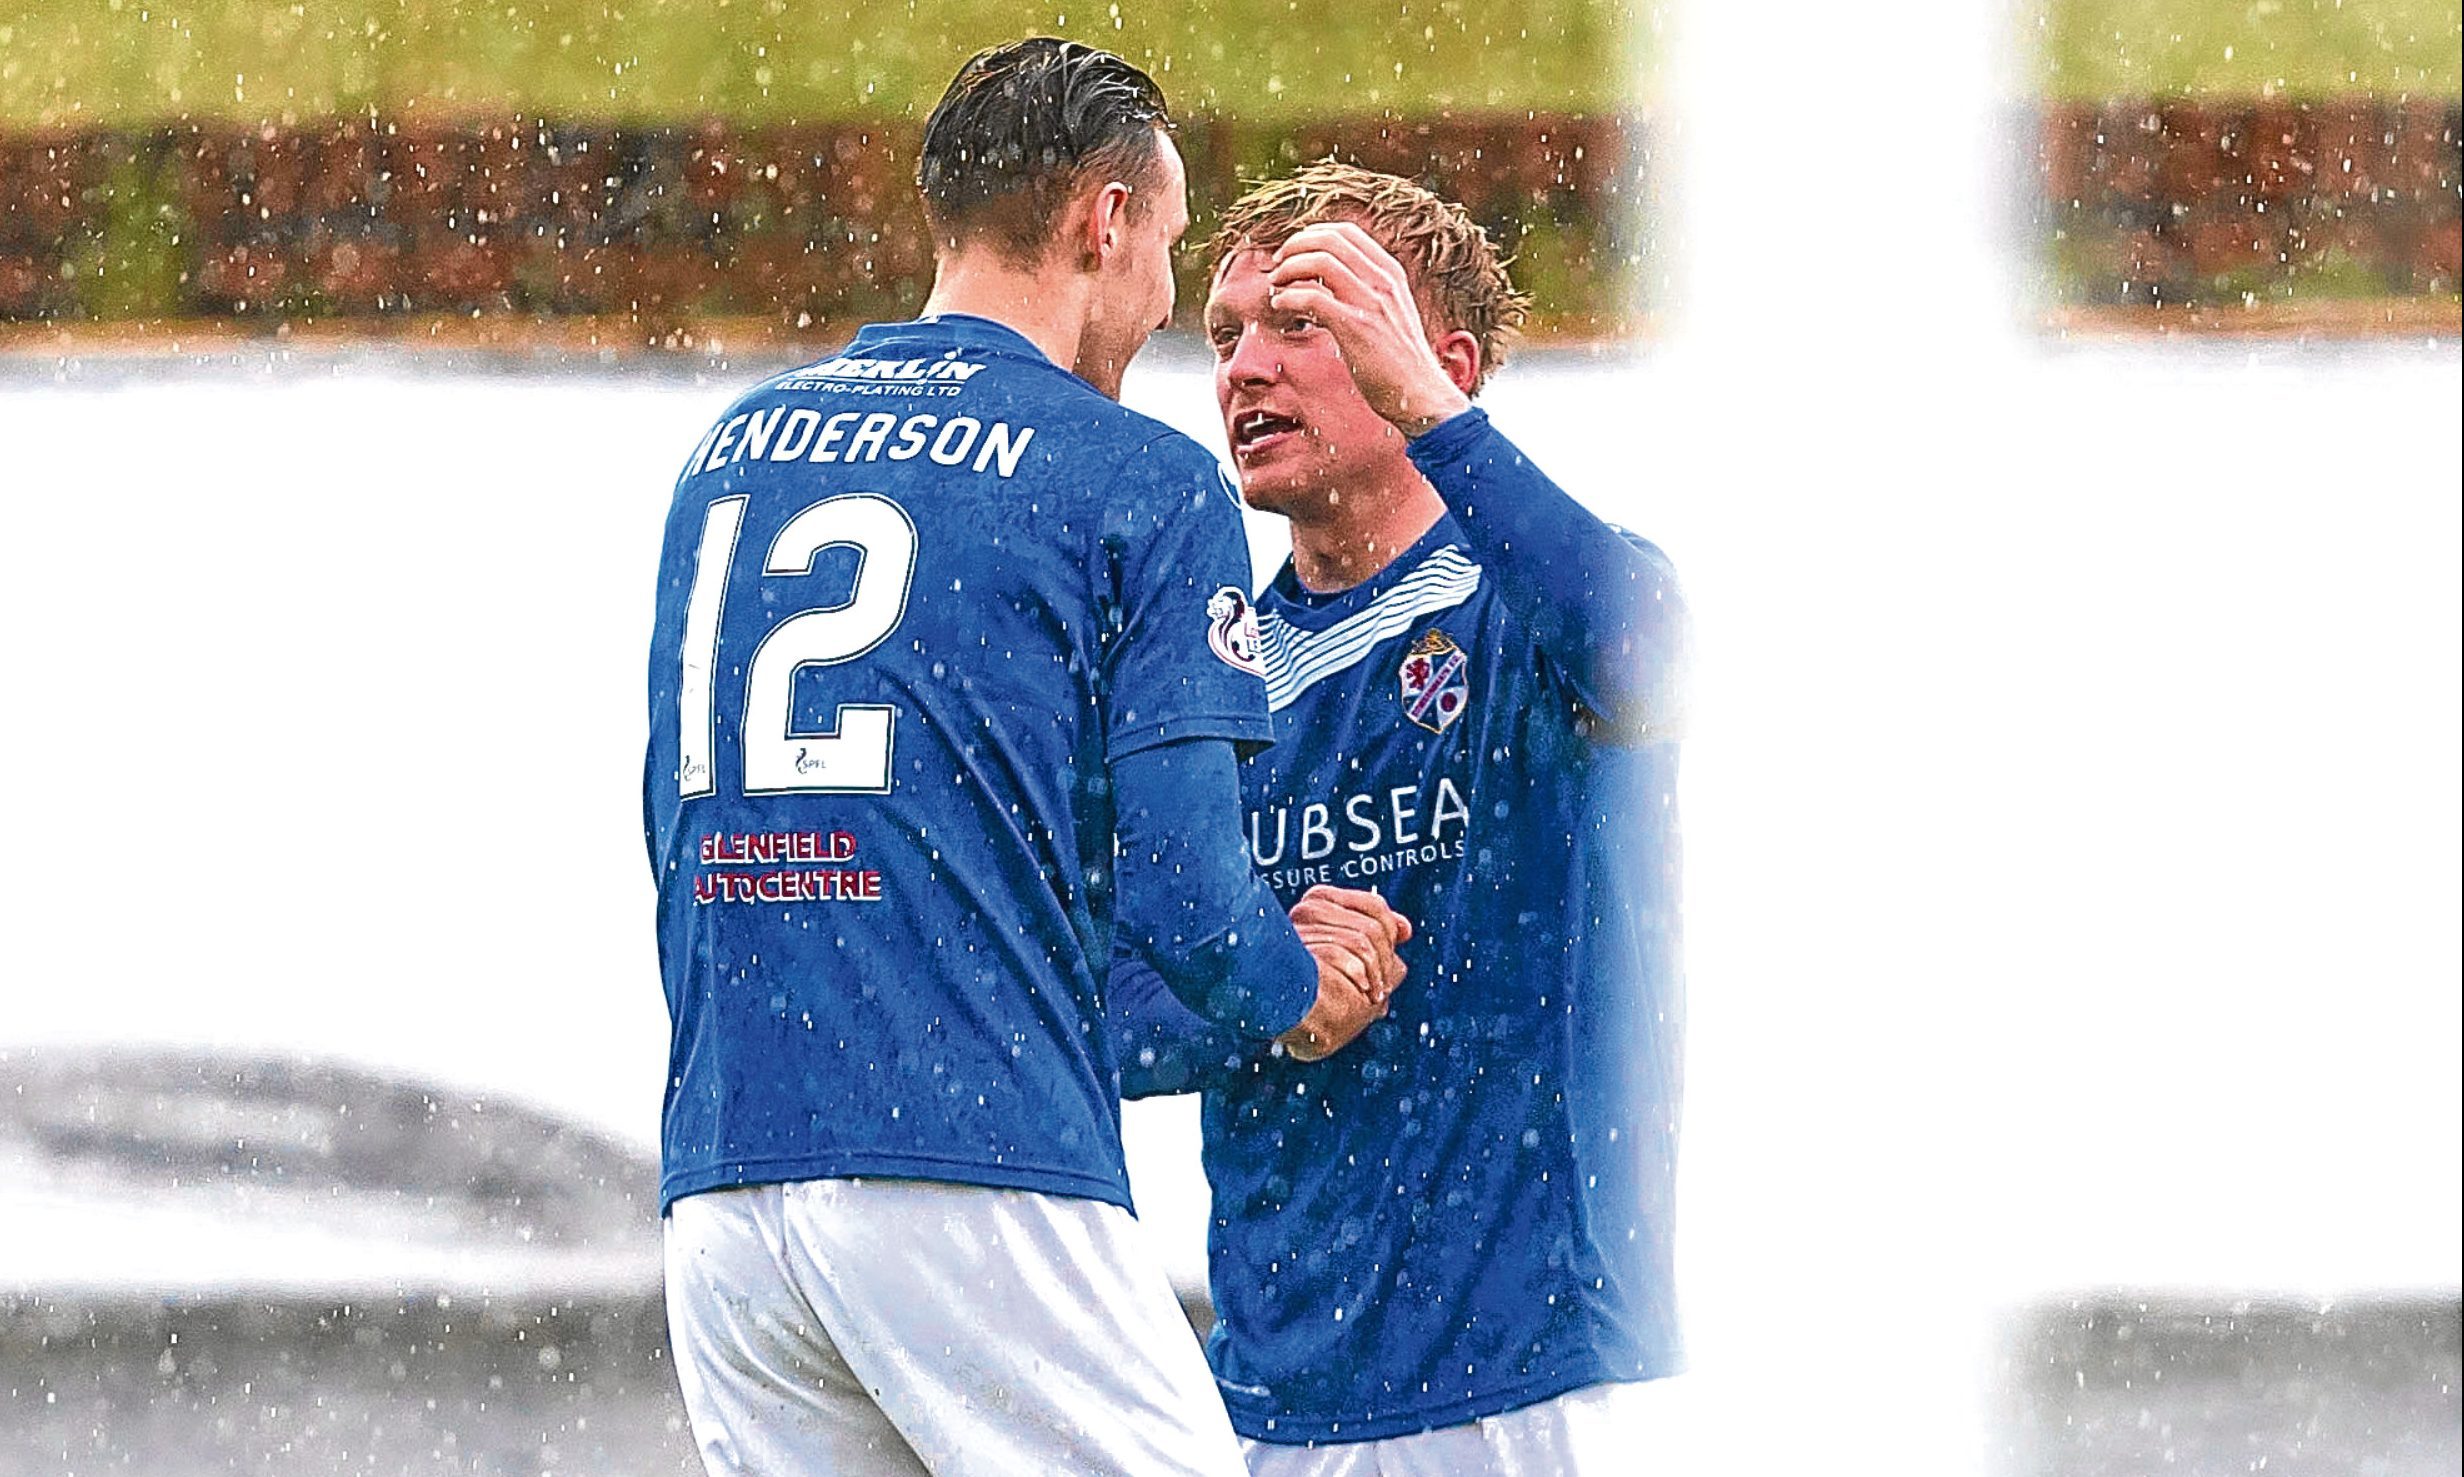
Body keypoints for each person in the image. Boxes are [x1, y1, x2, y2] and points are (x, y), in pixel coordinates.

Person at [641, 45, 1410, 1477]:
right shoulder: (1133, 475)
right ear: (1101, 224)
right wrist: (1293, 988)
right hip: (971, 1170)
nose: (1170, 304)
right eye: (1169, 249)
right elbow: (1193, 895)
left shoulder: (729, 455)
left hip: (727, 1191)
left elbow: (680, 832)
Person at [1112, 161, 1690, 1473]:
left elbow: (1662, 659)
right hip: (1282, 1408)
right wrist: (1268, 985)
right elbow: (1090, 1019)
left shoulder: (1533, 608)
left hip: (1550, 1383)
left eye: (1307, 320)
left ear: (1447, 361)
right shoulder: (1205, 684)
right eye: (1225, 335)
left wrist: (1433, 415)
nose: (1247, 364)